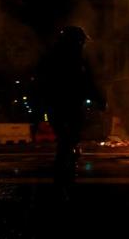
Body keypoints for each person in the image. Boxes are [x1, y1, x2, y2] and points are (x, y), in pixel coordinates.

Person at [36, 26, 105, 200]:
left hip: (66, 108)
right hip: (63, 107)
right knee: (67, 142)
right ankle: (61, 181)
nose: (82, 44)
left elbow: (88, 82)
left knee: (69, 141)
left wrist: (98, 98)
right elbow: (87, 82)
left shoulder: (70, 58)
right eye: (80, 41)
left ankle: (65, 175)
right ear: (74, 42)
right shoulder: (63, 60)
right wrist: (99, 99)